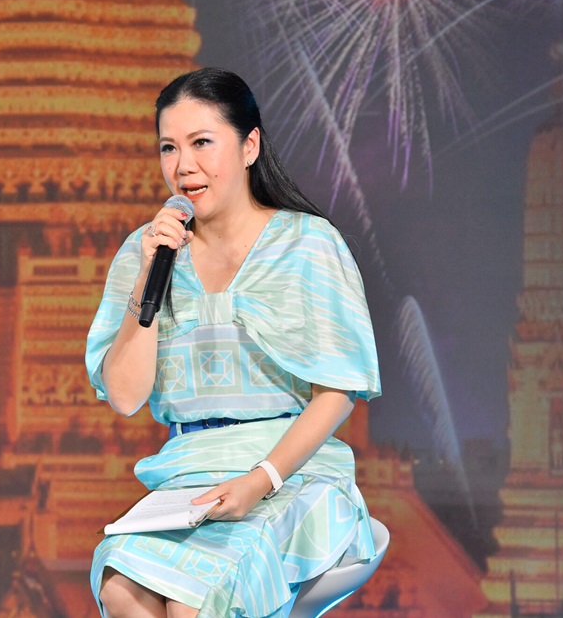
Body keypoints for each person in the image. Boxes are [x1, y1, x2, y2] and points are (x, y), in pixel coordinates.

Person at [85, 67, 381, 617]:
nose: (183, 166)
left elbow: (336, 393)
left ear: (249, 146)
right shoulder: (147, 250)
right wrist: (146, 278)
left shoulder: (307, 244)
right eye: (169, 147)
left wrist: (260, 480)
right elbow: (125, 397)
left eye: (202, 143)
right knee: (120, 589)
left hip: (291, 475)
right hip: (188, 479)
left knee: (193, 604)